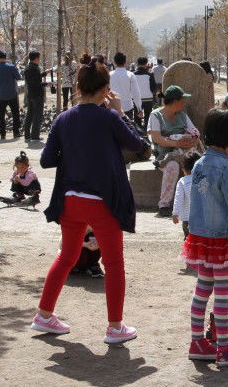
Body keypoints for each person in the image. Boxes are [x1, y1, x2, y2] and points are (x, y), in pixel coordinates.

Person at [31, 54, 146, 344]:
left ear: (79, 87)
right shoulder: (109, 118)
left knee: (66, 257)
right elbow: (139, 146)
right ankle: (115, 327)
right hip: (102, 200)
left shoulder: (63, 119)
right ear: (106, 88)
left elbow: (46, 160)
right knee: (114, 262)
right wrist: (119, 113)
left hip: (69, 199)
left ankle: (44, 316)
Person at [181, 109, 228, 367]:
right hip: (225, 239)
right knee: (222, 296)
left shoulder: (200, 164)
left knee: (201, 291)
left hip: (201, 239)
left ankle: (197, 342)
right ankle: (224, 349)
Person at [147, 85, 199, 217]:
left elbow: (194, 131)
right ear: (176, 101)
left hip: (184, 153)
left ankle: (200, 202)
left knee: (198, 164)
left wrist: (191, 140)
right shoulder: (156, 115)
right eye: (182, 99)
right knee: (172, 166)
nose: (184, 103)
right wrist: (175, 143)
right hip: (164, 155)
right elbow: (157, 138)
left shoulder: (182, 115)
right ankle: (164, 205)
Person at [0, 51, 22, 140]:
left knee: (1, 115)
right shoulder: (11, 67)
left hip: (1, 95)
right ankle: (16, 132)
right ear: (5, 57)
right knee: (15, 114)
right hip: (12, 94)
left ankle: (3, 134)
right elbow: (18, 77)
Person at [172, 151, 200, 239]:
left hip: (187, 218)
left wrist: (175, 213)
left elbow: (178, 198)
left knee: (189, 239)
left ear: (184, 169)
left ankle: (189, 252)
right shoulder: (204, 180)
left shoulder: (183, 182)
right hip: (203, 218)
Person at [109, 52, 143, 123]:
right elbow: (136, 93)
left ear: (115, 62)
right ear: (125, 61)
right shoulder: (130, 75)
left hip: (113, 107)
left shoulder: (109, 75)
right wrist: (139, 108)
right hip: (127, 107)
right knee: (126, 129)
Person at [23, 51, 48, 142]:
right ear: (36, 58)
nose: (39, 60)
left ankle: (27, 135)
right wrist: (46, 83)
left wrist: (45, 73)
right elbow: (36, 83)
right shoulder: (35, 69)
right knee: (37, 115)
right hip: (37, 95)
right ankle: (35, 135)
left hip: (30, 95)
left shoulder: (28, 68)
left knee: (29, 114)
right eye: (39, 58)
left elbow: (35, 79)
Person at [133, 56, 155, 130]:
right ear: (146, 63)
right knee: (148, 115)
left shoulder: (133, 74)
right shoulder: (149, 74)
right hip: (148, 98)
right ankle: (146, 129)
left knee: (137, 115)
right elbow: (153, 88)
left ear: (137, 64)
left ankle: (138, 130)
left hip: (137, 98)